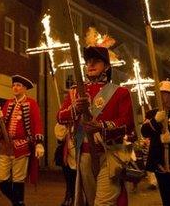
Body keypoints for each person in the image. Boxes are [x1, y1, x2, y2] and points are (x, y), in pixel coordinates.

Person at [56, 46, 134, 206]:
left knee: (102, 203)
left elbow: (127, 124)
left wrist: (101, 126)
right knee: (92, 202)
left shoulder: (120, 92)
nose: (91, 64)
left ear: (106, 66)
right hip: (83, 155)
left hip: (110, 154)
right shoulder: (75, 92)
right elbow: (60, 116)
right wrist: (75, 109)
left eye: (96, 61)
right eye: (88, 62)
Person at [0, 74, 44, 206]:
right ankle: (18, 203)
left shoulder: (31, 103)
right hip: (5, 145)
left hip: (22, 145)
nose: (15, 88)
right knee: (0, 179)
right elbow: (2, 124)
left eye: (18, 85)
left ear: (24, 88)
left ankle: (18, 203)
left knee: (18, 179)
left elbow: (38, 123)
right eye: (14, 85)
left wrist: (39, 143)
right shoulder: (8, 103)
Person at [54, 122, 76, 206]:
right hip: (68, 154)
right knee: (70, 180)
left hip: (82, 154)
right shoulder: (64, 119)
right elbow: (60, 136)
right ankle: (69, 196)